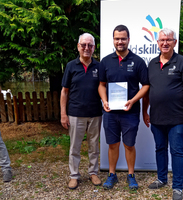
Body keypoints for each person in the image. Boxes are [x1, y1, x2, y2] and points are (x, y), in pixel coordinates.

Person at [142, 28, 183, 200]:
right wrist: (144, 111)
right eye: (162, 40)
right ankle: (161, 179)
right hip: (157, 118)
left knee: (177, 151)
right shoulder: (151, 64)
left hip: (177, 119)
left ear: (175, 42)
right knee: (159, 149)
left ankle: (178, 187)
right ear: (157, 43)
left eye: (169, 40)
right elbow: (147, 90)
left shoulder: (182, 62)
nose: (165, 43)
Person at [98, 25, 149, 190]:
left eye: (123, 38)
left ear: (128, 39)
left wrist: (133, 100)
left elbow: (146, 86)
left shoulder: (138, 61)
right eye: (117, 38)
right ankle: (112, 175)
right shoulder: (105, 61)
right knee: (113, 144)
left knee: (129, 145)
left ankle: (131, 175)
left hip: (130, 112)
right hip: (111, 113)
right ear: (113, 40)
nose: (120, 41)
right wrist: (104, 100)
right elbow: (101, 85)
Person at [60, 33, 103, 190]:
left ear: (94, 48)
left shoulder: (99, 67)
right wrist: (63, 114)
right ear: (78, 46)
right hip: (75, 113)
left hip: (95, 113)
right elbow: (64, 91)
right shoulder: (71, 66)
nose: (87, 48)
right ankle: (74, 175)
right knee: (74, 147)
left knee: (94, 146)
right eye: (83, 45)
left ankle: (93, 172)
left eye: (90, 45)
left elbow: (103, 88)